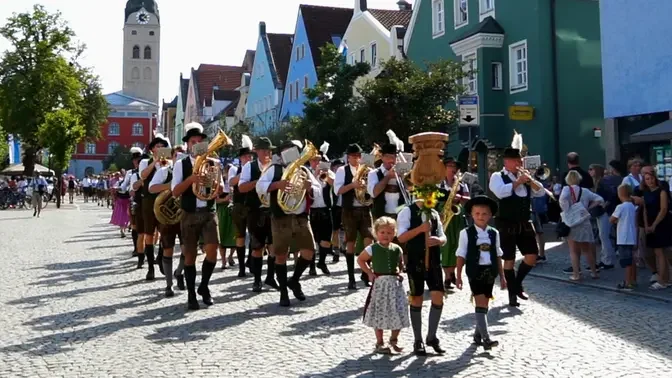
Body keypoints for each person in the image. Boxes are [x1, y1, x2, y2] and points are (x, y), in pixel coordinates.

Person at [256, 140, 320, 307]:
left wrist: (309, 187)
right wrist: (278, 184)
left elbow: (319, 190)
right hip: (281, 218)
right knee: (281, 255)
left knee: (309, 251)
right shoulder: (274, 169)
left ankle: (294, 280)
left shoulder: (304, 170)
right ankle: (283, 292)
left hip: (300, 217)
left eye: (293, 150)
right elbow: (259, 187)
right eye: (286, 150)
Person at [488, 134, 545, 307]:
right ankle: (513, 294)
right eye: (514, 161)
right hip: (506, 222)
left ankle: (517, 283)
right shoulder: (498, 176)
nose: (518, 163)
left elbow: (541, 192)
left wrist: (531, 180)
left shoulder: (525, 177)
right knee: (509, 259)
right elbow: (500, 192)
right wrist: (518, 182)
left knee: (532, 256)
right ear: (506, 162)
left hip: (524, 222)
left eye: (519, 160)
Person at [171, 122, 223, 310]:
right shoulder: (180, 164)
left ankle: (204, 286)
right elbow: (175, 191)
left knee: (212, 252)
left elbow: (222, 189)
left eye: (199, 141)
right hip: (189, 214)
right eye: (193, 141)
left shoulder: (213, 163)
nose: (196, 144)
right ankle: (192, 294)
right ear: (188, 144)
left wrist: (215, 183)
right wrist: (191, 180)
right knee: (190, 256)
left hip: (209, 211)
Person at [397, 188, 447, 356]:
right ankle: (417, 340)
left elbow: (443, 236)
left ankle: (432, 336)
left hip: (433, 261)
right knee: (417, 298)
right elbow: (401, 237)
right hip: (415, 260)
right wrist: (420, 229)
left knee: (438, 296)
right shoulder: (407, 211)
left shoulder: (433, 212)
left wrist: (439, 240)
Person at [455, 195, 505, 350]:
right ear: (471, 214)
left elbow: (497, 254)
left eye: (484, 214)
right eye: (477, 214)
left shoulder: (494, 233)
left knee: (485, 303)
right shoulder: (466, 233)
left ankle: (477, 335)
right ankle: (486, 338)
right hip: (474, 271)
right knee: (480, 302)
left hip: (490, 271)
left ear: (490, 215)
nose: (481, 217)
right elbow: (461, 254)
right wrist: (458, 276)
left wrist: (502, 277)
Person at [358, 216, 409, 354]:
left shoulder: (397, 248)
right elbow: (361, 260)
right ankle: (379, 342)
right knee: (379, 312)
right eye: (382, 232)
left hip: (394, 285)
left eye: (389, 232)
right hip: (380, 284)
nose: (386, 235)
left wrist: (400, 272)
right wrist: (369, 272)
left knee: (398, 310)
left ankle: (394, 339)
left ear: (394, 233)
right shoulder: (372, 248)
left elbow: (400, 264)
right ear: (376, 232)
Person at [238, 137, 278, 292]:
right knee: (257, 247)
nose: (268, 153)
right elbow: (241, 188)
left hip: (272, 210)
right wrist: (259, 182)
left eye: (269, 150)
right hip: (255, 210)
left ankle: (270, 277)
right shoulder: (250, 166)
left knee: (273, 246)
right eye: (264, 150)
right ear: (257, 152)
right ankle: (256, 280)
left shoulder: (275, 166)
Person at [334, 143, 375, 290]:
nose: (357, 158)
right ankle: (351, 277)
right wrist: (353, 185)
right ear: (348, 157)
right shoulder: (341, 170)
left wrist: (366, 186)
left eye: (359, 156)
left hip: (364, 209)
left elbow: (373, 191)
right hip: (349, 210)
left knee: (369, 240)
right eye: (354, 156)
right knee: (350, 242)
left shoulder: (368, 170)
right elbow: (337, 190)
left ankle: (366, 274)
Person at [149, 146, 185, 297]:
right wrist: (171, 186)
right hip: (168, 217)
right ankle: (168, 284)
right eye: (177, 155)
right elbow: (151, 188)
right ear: (172, 157)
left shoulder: (188, 171)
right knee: (168, 249)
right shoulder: (165, 171)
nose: (179, 157)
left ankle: (179, 272)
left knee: (187, 249)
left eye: (182, 155)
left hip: (184, 215)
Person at [559, 170, 605, 281]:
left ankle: (576, 274)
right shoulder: (585, 191)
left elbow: (562, 200)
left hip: (571, 223)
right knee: (587, 249)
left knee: (573, 250)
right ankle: (594, 272)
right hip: (584, 222)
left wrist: (567, 208)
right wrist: (588, 208)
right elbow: (600, 199)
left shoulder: (566, 189)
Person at [139, 133, 171, 281]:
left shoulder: (169, 163)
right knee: (149, 234)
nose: (160, 148)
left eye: (162, 146)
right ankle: (150, 267)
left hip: (165, 202)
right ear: (152, 149)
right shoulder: (145, 162)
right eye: (157, 146)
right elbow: (143, 176)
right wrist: (155, 162)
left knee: (164, 232)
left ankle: (160, 257)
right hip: (149, 202)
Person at [632, 171, 671, 290]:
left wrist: (654, 225)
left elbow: (663, 209)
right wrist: (646, 225)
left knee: (661, 252)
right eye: (647, 179)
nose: (650, 181)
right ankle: (666, 278)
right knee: (656, 252)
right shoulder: (646, 193)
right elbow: (644, 210)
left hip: (661, 224)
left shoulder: (661, 191)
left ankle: (662, 280)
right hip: (649, 224)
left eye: (651, 178)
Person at [437, 157, 470, 290]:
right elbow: (432, 198)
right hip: (443, 216)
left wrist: (460, 197)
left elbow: (468, 198)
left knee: (457, 245)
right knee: (446, 245)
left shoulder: (461, 184)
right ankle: (447, 276)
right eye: (449, 165)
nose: (452, 168)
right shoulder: (438, 183)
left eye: (454, 166)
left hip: (457, 217)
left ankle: (452, 273)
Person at [228, 135, 254, 277]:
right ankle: (241, 267)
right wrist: (244, 171)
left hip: (251, 205)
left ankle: (250, 261)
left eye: (249, 157)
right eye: (245, 157)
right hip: (238, 205)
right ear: (241, 158)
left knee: (254, 234)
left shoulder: (256, 168)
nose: (248, 159)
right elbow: (231, 182)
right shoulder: (234, 169)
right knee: (240, 236)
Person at [308, 142, 334, 276]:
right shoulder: (306, 173)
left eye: (318, 160)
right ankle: (311, 266)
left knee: (326, 239)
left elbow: (335, 185)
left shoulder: (327, 172)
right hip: (311, 210)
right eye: (313, 160)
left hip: (325, 209)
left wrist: (325, 175)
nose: (316, 163)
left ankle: (322, 262)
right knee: (312, 240)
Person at [589, 164, 616, 270]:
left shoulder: (602, 182)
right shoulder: (598, 182)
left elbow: (611, 195)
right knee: (603, 235)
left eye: (591, 169)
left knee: (604, 235)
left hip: (604, 212)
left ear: (596, 171)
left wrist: (605, 204)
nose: (589, 171)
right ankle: (605, 259)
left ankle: (608, 260)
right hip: (602, 212)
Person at [610, 184, 637, 290]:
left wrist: (616, 220)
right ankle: (633, 279)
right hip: (631, 236)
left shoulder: (620, 207)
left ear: (620, 193)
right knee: (631, 260)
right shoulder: (632, 206)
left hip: (623, 237)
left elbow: (611, 219)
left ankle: (627, 282)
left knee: (626, 261)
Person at [215, 162, 236, 270]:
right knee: (222, 237)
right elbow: (216, 200)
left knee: (234, 236)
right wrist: (224, 199)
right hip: (222, 211)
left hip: (231, 210)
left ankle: (231, 256)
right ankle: (223, 260)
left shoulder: (232, 183)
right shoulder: (220, 183)